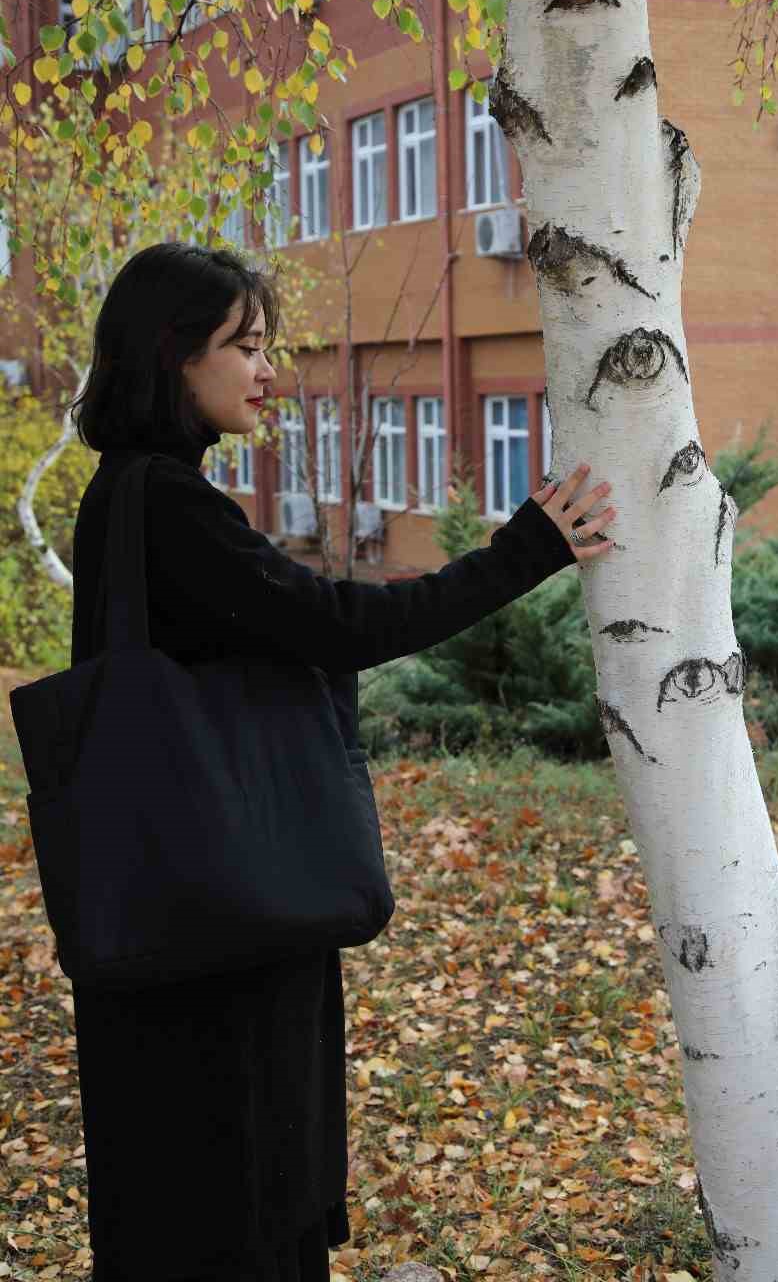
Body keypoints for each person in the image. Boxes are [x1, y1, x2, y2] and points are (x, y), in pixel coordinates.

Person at [65, 242, 616, 1282]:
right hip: (221, 917)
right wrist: (527, 547)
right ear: (176, 355)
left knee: (183, 1194)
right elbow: (342, 622)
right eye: (247, 346)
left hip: (166, 902)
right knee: (242, 1190)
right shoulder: (168, 506)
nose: (269, 370)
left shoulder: (121, 496)